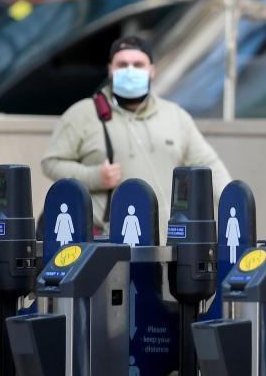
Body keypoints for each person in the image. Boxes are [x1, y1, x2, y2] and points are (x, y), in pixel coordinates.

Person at [42, 36, 231, 236]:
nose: (130, 71)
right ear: (110, 69)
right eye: (122, 64)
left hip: (166, 242)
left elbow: (208, 163)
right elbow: (51, 163)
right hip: (109, 245)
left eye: (138, 64)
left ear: (151, 70)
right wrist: (94, 177)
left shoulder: (175, 115)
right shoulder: (82, 114)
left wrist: (232, 206)